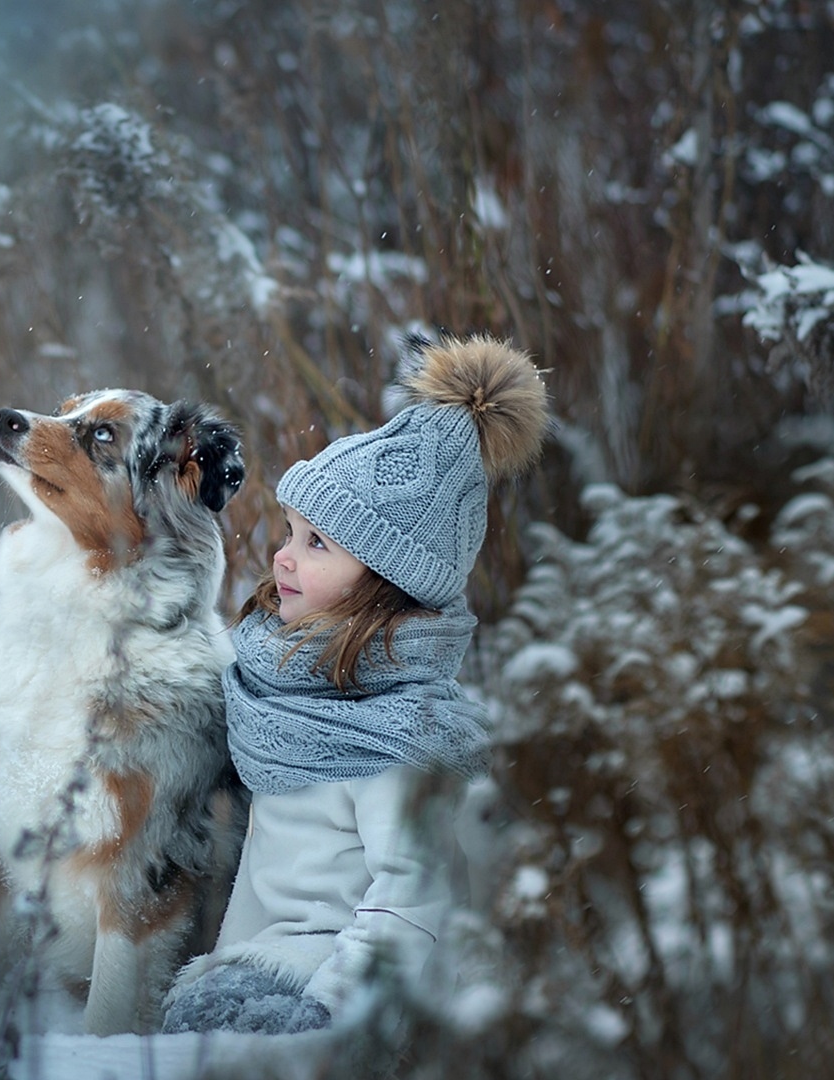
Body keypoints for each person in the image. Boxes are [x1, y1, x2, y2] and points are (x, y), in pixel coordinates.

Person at [161, 334, 549, 1034]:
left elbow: (412, 896)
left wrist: (331, 1018)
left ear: (387, 580)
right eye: (290, 530)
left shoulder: (396, 738)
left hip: (321, 991)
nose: (283, 554)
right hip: (247, 964)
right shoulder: (274, 682)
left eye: (319, 544)